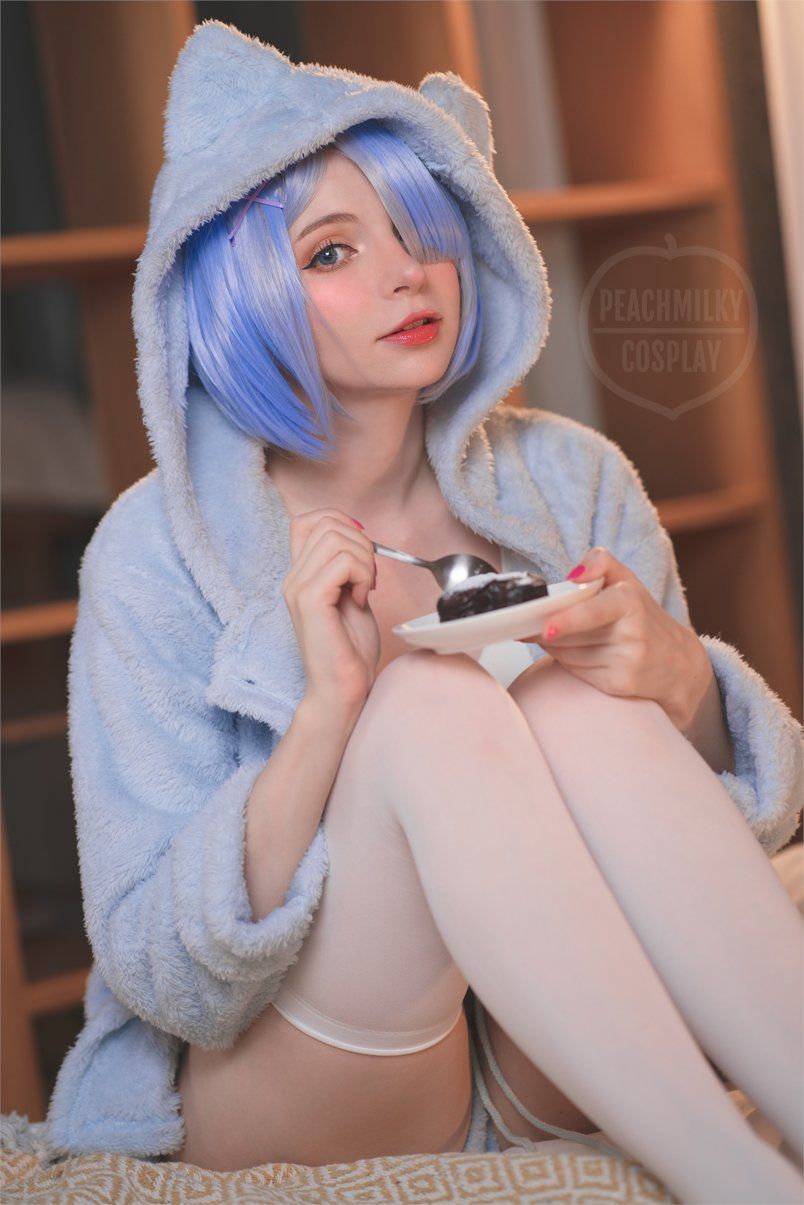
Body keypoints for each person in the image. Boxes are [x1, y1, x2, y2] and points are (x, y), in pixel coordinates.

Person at [43, 21, 803, 1203]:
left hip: (558, 1058)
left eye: (426, 233)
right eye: (332, 251)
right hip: (320, 1067)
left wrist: (682, 683)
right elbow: (163, 975)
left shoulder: (570, 480)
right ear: (245, 292)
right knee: (435, 703)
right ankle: (744, 1186)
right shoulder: (156, 554)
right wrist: (328, 714)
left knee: (577, 694)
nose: (408, 275)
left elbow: (722, 852)